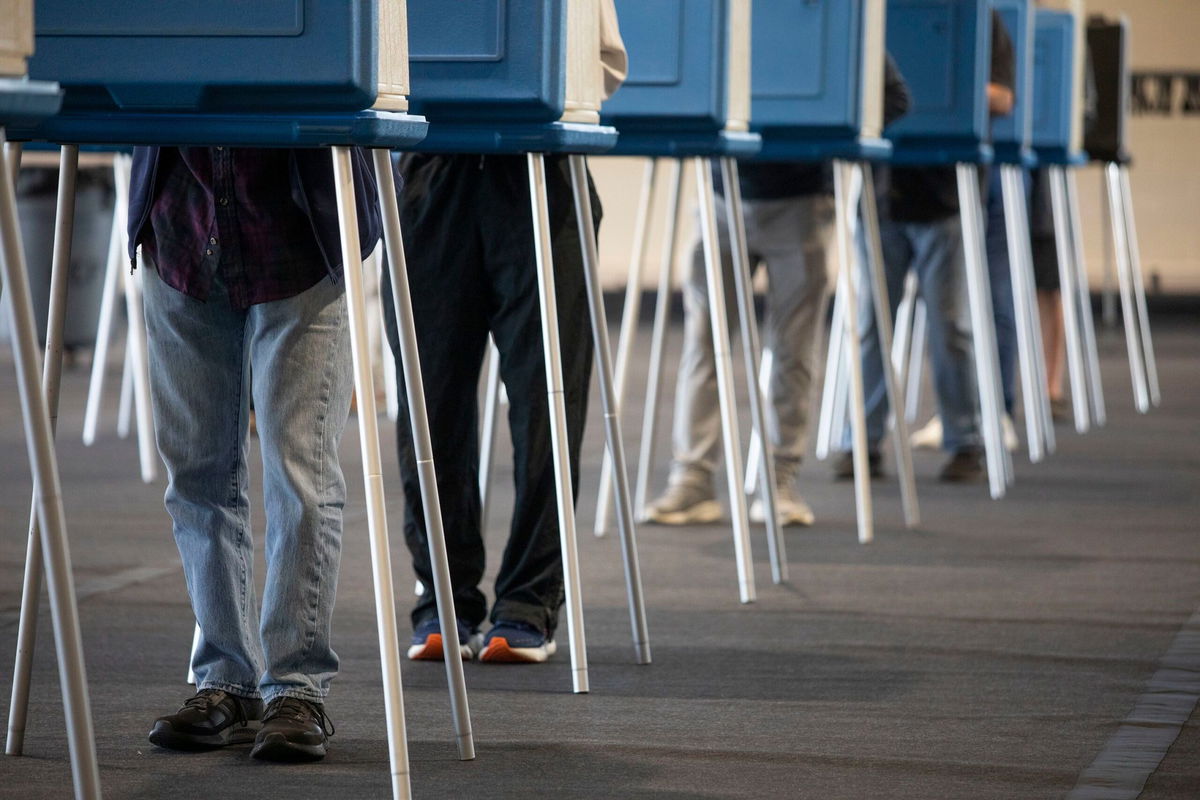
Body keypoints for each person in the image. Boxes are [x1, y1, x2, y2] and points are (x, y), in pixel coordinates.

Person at [382, 2, 626, 664]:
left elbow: (606, 65)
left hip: (541, 170)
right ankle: (443, 599)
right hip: (433, 172)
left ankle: (529, 601)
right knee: (429, 408)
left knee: (548, 405)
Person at [134, 145, 381, 760]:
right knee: (195, 476)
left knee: (300, 473)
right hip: (180, 225)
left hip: (301, 224)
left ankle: (296, 688)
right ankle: (224, 680)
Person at [644, 58, 911, 528]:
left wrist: (828, 130)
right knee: (703, 344)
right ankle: (692, 482)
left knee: (792, 350)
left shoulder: (831, 13)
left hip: (803, 200)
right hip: (722, 196)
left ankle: (778, 482)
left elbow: (894, 98)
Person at [836, 12, 1016, 482]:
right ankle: (862, 443)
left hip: (945, 195)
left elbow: (1003, 97)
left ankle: (966, 440)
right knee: (873, 322)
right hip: (881, 192)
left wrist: (943, 88)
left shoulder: (976, 16)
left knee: (950, 326)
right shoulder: (873, 9)